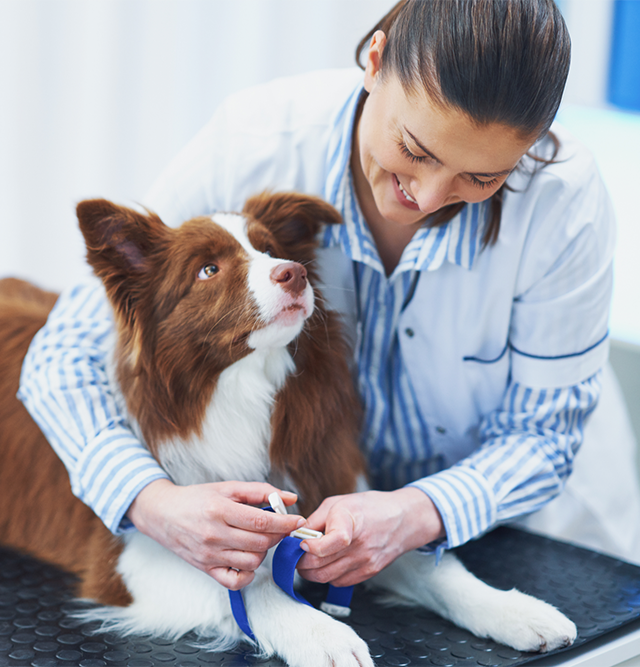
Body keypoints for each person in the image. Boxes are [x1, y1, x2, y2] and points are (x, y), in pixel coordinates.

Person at [19, 0, 640, 595]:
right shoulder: (255, 138)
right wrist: (153, 502)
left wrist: (416, 511)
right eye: (414, 151)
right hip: (332, 518)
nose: (425, 198)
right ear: (375, 59)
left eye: (481, 177)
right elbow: (60, 360)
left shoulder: (563, 201)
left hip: (536, 532)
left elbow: (541, 434)